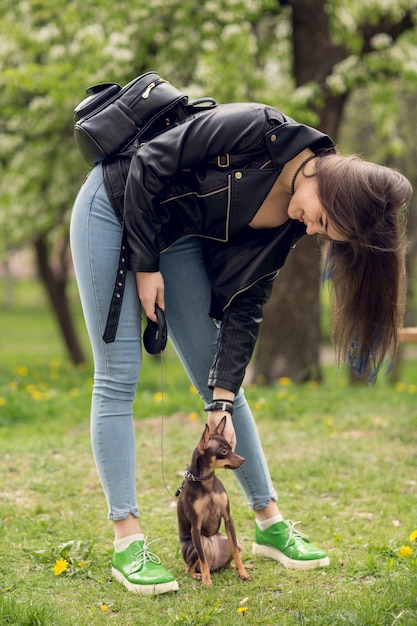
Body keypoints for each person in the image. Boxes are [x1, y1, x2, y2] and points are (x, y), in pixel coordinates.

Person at [70, 100, 412, 595]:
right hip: (117, 201)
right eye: (322, 221)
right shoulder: (258, 129)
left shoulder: (295, 218)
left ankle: (269, 523)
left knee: (221, 388)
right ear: (332, 189)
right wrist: (145, 267)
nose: (312, 230)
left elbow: (246, 304)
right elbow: (149, 163)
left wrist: (221, 400)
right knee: (118, 376)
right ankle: (128, 542)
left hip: (176, 234)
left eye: (321, 234)